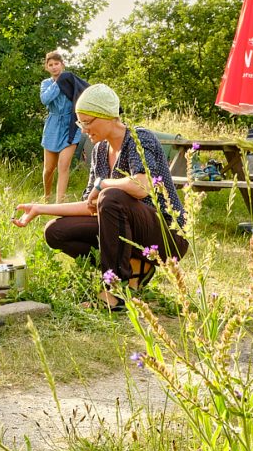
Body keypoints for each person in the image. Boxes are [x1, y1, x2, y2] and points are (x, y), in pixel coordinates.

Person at [13, 83, 188, 310]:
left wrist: (102, 183)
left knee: (112, 196)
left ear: (107, 116)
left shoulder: (138, 138)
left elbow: (142, 186)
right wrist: (39, 209)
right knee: (56, 231)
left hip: (167, 236)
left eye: (87, 122)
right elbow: (90, 206)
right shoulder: (99, 151)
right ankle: (135, 267)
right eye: (80, 123)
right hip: (132, 234)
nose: (83, 129)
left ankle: (115, 290)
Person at [40, 51, 88, 203]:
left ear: (62, 64)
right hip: (52, 126)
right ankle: (47, 196)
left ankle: (59, 202)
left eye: (57, 64)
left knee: (64, 166)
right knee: (49, 169)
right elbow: (45, 99)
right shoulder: (46, 84)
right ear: (47, 68)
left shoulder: (72, 81)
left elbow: (84, 95)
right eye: (51, 65)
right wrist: (58, 82)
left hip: (70, 126)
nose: (54, 67)